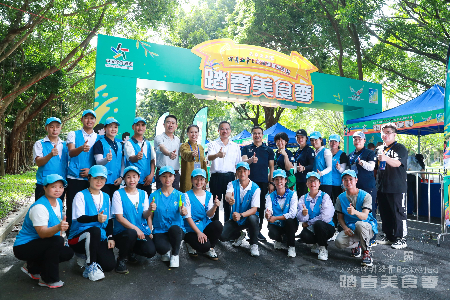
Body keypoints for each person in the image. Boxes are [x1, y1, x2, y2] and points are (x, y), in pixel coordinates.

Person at [13, 174, 74, 288]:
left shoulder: (59, 202)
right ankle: (47, 279)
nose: (58, 190)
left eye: (61, 187)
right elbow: (42, 233)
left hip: (42, 243)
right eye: (54, 186)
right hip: (24, 246)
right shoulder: (40, 207)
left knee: (67, 252)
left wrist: (61, 240)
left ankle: (33, 267)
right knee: (56, 242)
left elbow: (58, 224)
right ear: (44, 188)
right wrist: (58, 229)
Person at [68, 165, 115, 281]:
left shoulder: (106, 196)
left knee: (109, 265)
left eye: (102, 178)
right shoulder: (80, 195)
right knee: (94, 230)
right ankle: (90, 266)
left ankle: (88, 256)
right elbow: (79, 218)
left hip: (100, 236)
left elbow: (109, 219)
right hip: (79, 236)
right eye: (96, 178)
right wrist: (96, 218)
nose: (99, 181)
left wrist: (110, 237)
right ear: (89, 178)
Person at [112, 166, 156, 274]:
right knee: (131, 233)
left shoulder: (143, 194)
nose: (131, 180)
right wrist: (136, 229)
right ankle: (121, 259)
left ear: (138, 178)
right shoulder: (118, 194)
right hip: (123, 232)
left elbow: (145, 216)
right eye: (128, 177)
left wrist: (150, 210)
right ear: (124, 179)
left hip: (140, 231)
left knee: (150, 251)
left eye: (134, 177)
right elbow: (119, 217)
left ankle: (130, 250)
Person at [66, 109, 103, 227]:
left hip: (90, 179)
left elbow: (99, 160)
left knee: (88, 207)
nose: (89, 120)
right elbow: (71, 153)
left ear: (95, 121)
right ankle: (70, 235)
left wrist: (90, 171)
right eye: (86, 117)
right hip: (74, 177)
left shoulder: (99, 138)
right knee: (71, 206)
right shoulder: (73, 134)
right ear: (82, 119)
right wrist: (81, 148)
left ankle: (86, 233)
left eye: (92, 118)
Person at [334, 170, 378, 267]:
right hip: (351, 228)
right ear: (342, 181)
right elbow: (340, 217)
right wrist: (345, 228)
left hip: (366, 227)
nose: (348, 182)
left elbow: (365, 216)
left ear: (356, 180)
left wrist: (354, 212)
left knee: (359, 224)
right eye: (345, 179)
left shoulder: (366, 196)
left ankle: (366, 252)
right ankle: (357, 245)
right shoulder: (340, 198)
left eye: (351, 179)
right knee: (339, 242)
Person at [376, 123, 408, 249]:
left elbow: (398, 163)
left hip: (396, 187)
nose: (385, 134)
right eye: (383, 132)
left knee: (399, 213)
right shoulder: (379, 148)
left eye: (388, 132)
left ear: (394, 134)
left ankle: (401, 238)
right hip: (382, 187)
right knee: (385, 213)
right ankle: (389, 236)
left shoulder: (400, 148)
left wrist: (385, 158)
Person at [150, 166, 188, 268]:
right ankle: (167, 250)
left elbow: (182, 209)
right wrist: (149, 231)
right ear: (159, 178)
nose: (167, 179)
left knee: (174, 229)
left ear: (174, 178)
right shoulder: (154, 196)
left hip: (176, 230)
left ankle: (175, 254)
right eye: (164, 176)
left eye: (170, 176)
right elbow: (150, 215)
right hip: (160, 230)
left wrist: (183, 211)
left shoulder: (180, 195)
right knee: (161, 249)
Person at [241, 126, 275, 241]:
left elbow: (271, 168)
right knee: (248, 206)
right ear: (252, 135)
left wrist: (271, 182)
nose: (257, 135)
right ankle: (248, 230)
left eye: (259, 133)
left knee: (260, 208)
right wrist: (251, 160)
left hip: (263, 182)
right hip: (248, 183)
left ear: (262, 135)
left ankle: (258, 231)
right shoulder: (246, 148)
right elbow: (244, 162)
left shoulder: (268, 150)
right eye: (255, 133)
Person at [221, 162, 261, 257]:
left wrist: (241, 215)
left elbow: (254, 209)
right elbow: (228, 195)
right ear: (236, 172)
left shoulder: (255, 188)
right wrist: (229, 199)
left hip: (247, 218)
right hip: (236, 219)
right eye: (239, 170)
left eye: (244, 170)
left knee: (253, 218)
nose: (242, 173)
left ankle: (254, 244)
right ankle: (239, 235)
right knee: (222, 236)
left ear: (249, 172)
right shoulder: (232, 184)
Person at [183, 168, 223, 260]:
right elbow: (187, 217)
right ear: (191, 180)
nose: (199, 181)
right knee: (204, 247)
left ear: (205, 181)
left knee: (218, 225)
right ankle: (189, 243)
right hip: (191, 228)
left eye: (201, 179)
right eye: (196, 178)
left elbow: (209, 215)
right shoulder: (186, 195)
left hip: (204, 224)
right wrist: (198, 233)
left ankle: (211, 248)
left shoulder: (209, 195)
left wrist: (215, 206)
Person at [297, 172, 335, 261]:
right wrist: (304, 214)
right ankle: (316, 243)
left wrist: (309, 222)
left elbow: (326, 217)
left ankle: (323, 248)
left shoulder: (325, 196)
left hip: (326, 227)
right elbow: (300, 218)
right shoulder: (303, 198)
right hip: (311, 228)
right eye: (310, 181)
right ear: (306, 183)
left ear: (319, 183)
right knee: (304, 235)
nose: (312, 183)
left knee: (319, 224)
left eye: (315, 181)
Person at [208, 121, 241, 221]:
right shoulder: (212, 144)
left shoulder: (235, 146)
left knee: (229, 204)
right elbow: (209, 157)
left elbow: (238, 165)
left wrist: (238, 181)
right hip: (216, 177)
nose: (225, 131)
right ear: (218, 130)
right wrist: (217, 155)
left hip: (230, 178)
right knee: (216, 203)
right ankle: (216, 229)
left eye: (227, 129)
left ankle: (227, 230)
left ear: (230, 131)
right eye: (222, 128)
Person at [265, 170, 298, 257]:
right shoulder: (269, 196)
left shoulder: (293, 194)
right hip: (277, 225)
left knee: (290, 221)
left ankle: (291, 246)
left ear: (286, 180)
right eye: (276, 179)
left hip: (289, 224)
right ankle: (278, 239)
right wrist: (268, 214)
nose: (279, 181)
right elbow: (269, 210)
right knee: (272, 232)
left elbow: (292, 214)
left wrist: (276, 218)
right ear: (273, 181)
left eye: (281, 179)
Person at [33, 117, 68, 201]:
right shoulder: (40, 143)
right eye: (51, 126)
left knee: (57, 209)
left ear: (61, 128)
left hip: (60, 184)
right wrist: (50, 155)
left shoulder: (65, 144)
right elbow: (38, 162)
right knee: (41, 209)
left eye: (57, 126)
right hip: (45, 183)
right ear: (46, 128)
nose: (55, 129)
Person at [124, 117, 156, 196]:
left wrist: (151, 175)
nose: (140, 127)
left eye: (143, 125)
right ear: (133, 127)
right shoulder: (129, 143)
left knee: (146, 205)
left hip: (147, 181)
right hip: (133, 182)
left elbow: (152, 160)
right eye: (138, 125)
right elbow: (132, 158)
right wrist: (137, 157)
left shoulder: (148, 144)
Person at [93, 117, 124, 199]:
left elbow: (122, 163)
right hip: (103, 182)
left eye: (115, 127)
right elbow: (98, 162)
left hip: (117, 181)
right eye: (110, 126)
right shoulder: (99, 143)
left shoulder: (120, 144)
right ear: (105, 128)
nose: (113, 129)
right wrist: (106, 159)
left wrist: (121, 177)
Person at [154, 115, 181, 190]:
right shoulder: (159, 137)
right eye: (168, 122)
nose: (170, 125)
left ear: (176, 126)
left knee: (176, 198)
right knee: (161, 197)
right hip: (163, 173)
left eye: (173, 123)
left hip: (175, 174)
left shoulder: (177, 140)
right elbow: (162, 147)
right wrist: (169, 154)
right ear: (164, 125)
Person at [179, 125, 208, 193]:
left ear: (198, 133)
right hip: (188, 178)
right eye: (191, 132)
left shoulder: (200, 147)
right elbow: (185, 154)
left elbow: (203, 165)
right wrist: (192, 154)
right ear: (187, 134)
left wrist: (205, 180)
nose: (194, 134)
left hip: (199, 179)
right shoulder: (184, 146)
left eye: (196, 132)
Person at [293, 129, 315, 199]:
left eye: (302, 137)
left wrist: (304, 168)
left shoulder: (309, 150)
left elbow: (312, 165)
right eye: (298, 137)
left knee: (304, 201)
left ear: (306, 138)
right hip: (296, 180)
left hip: (305, 181)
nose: (300, 139)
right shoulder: (297, 151)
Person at [309, 131, 333, 196]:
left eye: (316, 140)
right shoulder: (313, 152)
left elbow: (330, 167)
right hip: (315, 184)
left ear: (321, 140)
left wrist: (321, 173)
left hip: (325, 183)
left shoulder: (326, 151)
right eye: (312, 140)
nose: (314, 142)